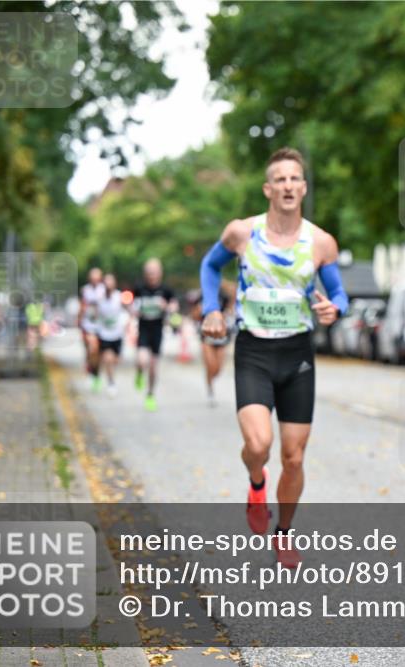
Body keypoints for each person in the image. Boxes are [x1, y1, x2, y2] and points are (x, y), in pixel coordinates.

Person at [199, 147, 349, 568]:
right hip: (254, 349)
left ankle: (283, 534)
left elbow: (338, 294)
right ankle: (255, 481)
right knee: (258, 444)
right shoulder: (242, 233)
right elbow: (211, 268)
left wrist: (336, 308)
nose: (287, 185)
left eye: (294, 178)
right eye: (279, 179)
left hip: (297, 352)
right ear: (268, 189)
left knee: (295, 456)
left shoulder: (320, 242)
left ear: (303, 187)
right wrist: (212, 308)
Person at [132, 258, 176, 411]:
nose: (152, 275)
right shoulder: (139, 288)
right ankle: (138, 373)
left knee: (153, 367)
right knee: (141, 360)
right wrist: (133, 311)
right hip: (143, 329)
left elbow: (173, 306)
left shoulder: (166, 290)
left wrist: (166, 306)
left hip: (157, 331)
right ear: (145, 274)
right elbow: (132, 305)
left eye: (155, 272)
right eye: (149, 273)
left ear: (160, 273)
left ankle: (150, 394)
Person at [189, 286, 236, 407]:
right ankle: (210, 391)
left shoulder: (224, 295)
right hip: (207, 336)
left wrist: (226, 313)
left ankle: (211, 380)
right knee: (210, 365)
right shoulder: (201, 295)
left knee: (218, 369)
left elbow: (230, 310)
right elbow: (194, 315)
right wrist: (198, 312)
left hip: (221, 336)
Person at [95, 274, 126, 397]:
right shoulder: (99, 298)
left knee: (115, 360)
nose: (108, 284)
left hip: (117, 335)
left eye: (110, 281)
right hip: (104, 334)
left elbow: (128, 309)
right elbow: (94, 314)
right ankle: (111, 383)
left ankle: (110, 377)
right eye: (106, 281)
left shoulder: (119, 296)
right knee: (108, 359)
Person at [78, 268, 105, 391]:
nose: (94, 280)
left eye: (97, 277)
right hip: (87, 325)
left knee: (97, 353)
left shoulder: (104, 290)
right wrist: (79, 319)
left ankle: (96, 373)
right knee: (89, 350)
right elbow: (82, 306)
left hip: (100, 326)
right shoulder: (85, 290)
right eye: (92, 277)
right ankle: (90, 371)